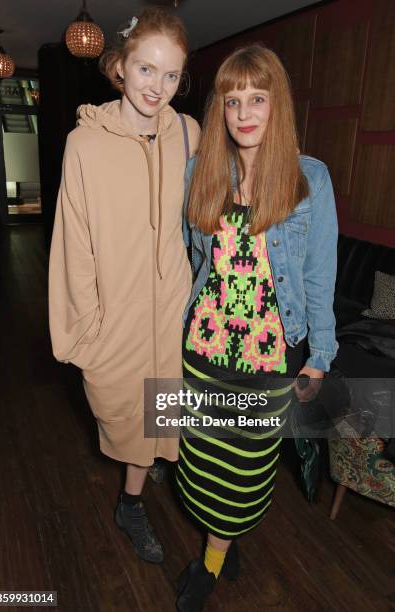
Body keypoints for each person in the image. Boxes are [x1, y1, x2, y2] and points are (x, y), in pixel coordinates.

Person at [175, 44, 338, 610]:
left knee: (242, 471)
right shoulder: (201, 172)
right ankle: (221, 543)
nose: (244, 112)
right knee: (202, 462)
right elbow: (197, 265)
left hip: (268, 361)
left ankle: (213, 556)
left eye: (258, 98)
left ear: (278, 105)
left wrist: (320, 353)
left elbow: (319, 277)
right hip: (204, 351)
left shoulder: (307, 179)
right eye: (232, 100)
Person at [48, 7, 200, 564]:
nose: (156, 87)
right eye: (145, 70)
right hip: (117, 321)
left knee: (162, 420)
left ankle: (139, 488)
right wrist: (87, 337)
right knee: (127, 422)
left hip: (174, 315)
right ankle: (129, 506)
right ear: (120, 66)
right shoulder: (83, 145)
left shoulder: (189, 132)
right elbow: (74, 248)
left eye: (170, 76)